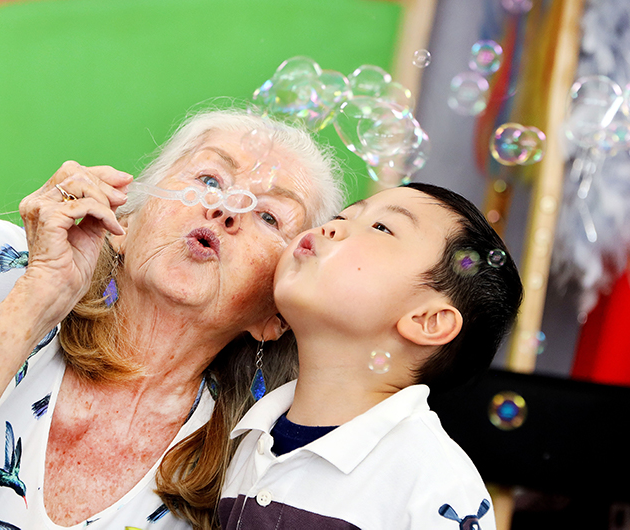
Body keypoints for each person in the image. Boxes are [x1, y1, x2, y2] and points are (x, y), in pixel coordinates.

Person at [0, 108, 345, 529]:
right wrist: (38, 295)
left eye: (269, 216)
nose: (225, 209)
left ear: (273, 318)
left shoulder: (248, 464)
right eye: (209, 179)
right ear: (126, 223)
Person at [219, 182, 524, 529]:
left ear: (428, 321)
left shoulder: (437, 485)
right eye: (342, 215)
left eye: (382, 227)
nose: (332, 226)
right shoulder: (252, 439)